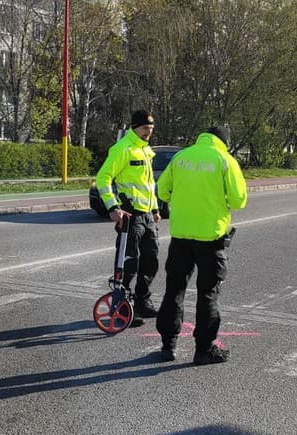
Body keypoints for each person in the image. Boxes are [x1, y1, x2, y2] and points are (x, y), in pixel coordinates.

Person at [155, 126, 247, 364]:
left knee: (174, 291)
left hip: (181, 236)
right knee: (208, 294)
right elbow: (239, 200)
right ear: (223, 142)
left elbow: (162, 191)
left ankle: (168, 346)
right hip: (211, 238)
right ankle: (203, 350)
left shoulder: (181, 156)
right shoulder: (225, 160)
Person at [95, 110, 161, 326]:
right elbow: (103, 178)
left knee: (150, 261)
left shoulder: (145, 150)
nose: (148, 133)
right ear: (134, 128)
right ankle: (121, 306)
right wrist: (113, 207)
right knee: (128, 263)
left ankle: (143, 303)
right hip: (130, 215)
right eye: (144, 129)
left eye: (151, 129)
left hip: (147, 217)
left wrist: (154, 209)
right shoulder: (123, 149)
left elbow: (147, 186)